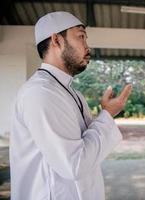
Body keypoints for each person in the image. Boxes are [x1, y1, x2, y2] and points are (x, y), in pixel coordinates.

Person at [9, 11, 132, 200]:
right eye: (81, 37)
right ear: (56, 40)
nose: (87, 47)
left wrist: (106, 114)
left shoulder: (71, 92)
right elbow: (75, 165)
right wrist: (107, 114)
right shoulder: (40, 93)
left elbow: (89, 148)